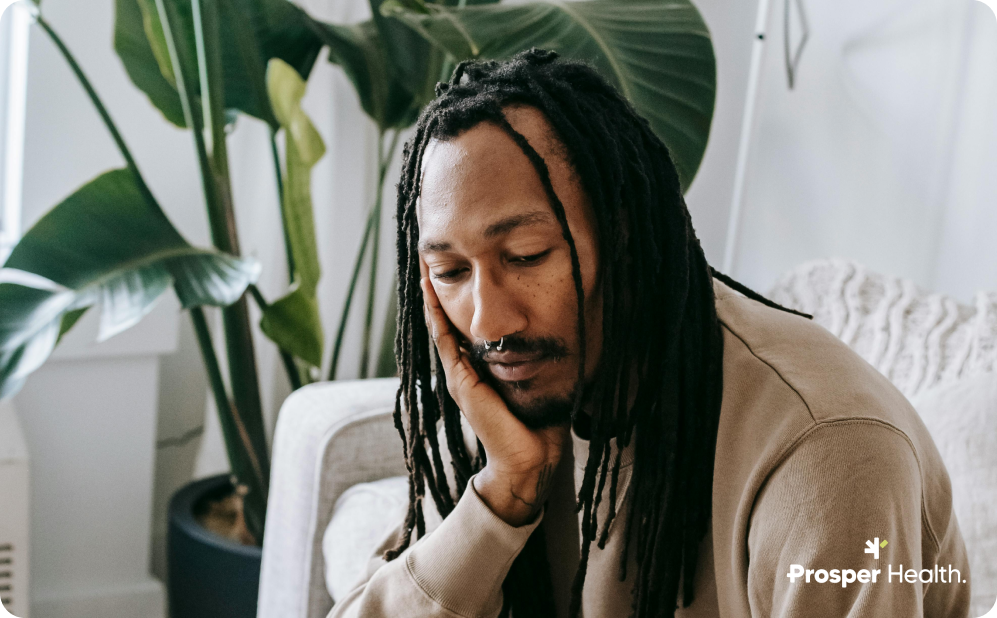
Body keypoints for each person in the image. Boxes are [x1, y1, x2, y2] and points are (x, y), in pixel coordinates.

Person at [329, 49, 970, 618]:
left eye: (525, 255)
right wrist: (502, 498)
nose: (486, 321)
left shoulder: (824, 454)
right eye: (450, 271)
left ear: (623, 234)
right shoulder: (514, 391)